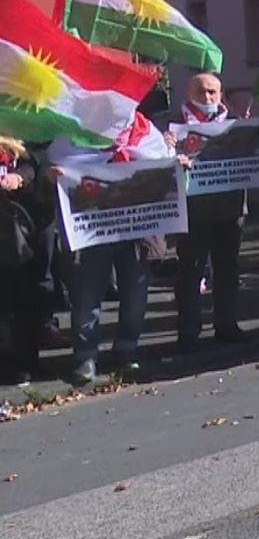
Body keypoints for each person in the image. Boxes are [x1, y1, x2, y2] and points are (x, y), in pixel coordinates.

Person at [49, 115, 171, 385]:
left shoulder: (145, 131)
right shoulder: (76, 131)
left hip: (137, 230)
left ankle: (127, 349)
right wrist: (55, 174)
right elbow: (55, 161)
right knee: (86, 297)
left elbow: (165, 161)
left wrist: (176, 163)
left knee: (135, 295)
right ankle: (85, 356)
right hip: (93, 231)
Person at [174, 73, 251, 352]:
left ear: (221, 94)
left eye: (213, 92)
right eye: (201, 91)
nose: (207, 97)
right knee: (190, 270)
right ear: (188, 93)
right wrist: (171, 153)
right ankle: (188, 330)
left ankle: (226, 324)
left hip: (231, 207)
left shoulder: (235, 124)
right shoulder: (174, 126)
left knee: (228, 269)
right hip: (192, 210)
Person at [0, 136, 49, 385]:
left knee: (26, 294)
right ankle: (9, 363)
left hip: (22, 224)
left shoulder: (21, 126)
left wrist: (19, 177)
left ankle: (26, 359)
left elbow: (36, 157)